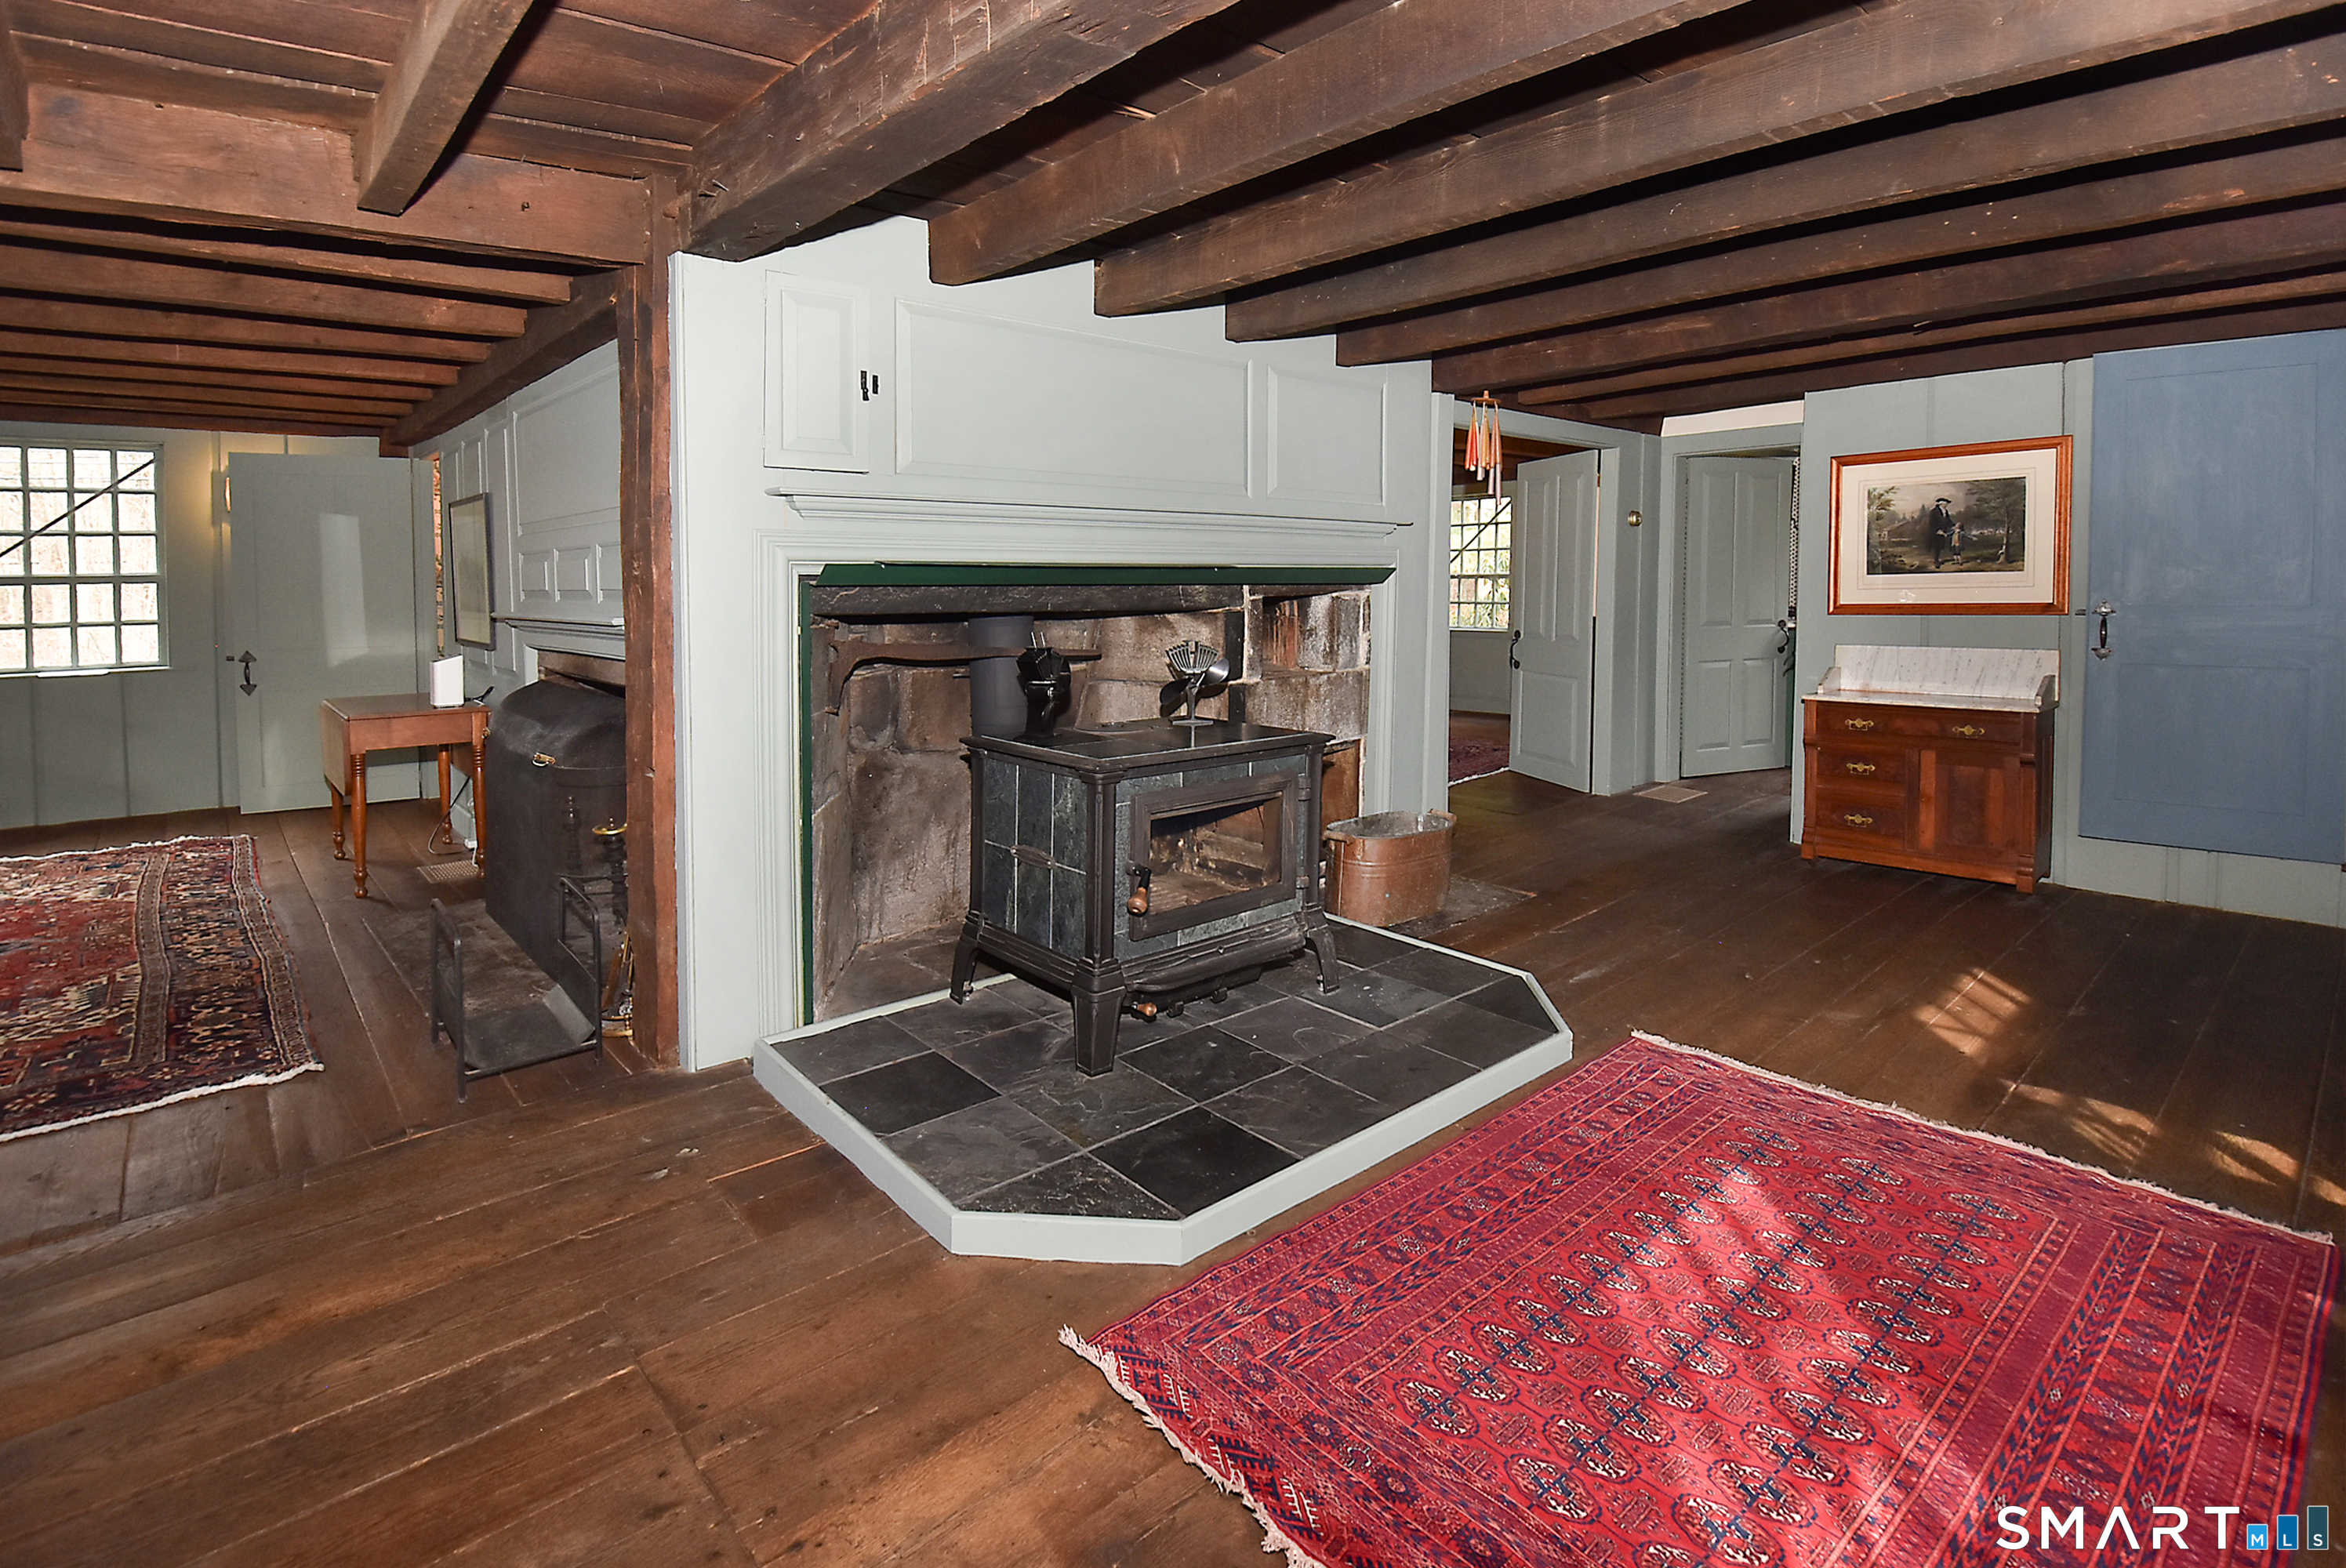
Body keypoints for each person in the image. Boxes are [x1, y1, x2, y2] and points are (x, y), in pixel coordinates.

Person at [1927, 497, 1959, 568]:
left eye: (1946, 504)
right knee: (1936, 547)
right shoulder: (1934, 512)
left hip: (1943, 531)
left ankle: (1937, 559)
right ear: (1941, 504)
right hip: (1935, 532)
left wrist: (1953, 526)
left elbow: (1948, 521)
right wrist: (1938, 530)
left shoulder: (1945, 511)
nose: (1946, 505)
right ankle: (1936, 562)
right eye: (1945, 504)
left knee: (1941, 546)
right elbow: (1932, 523)